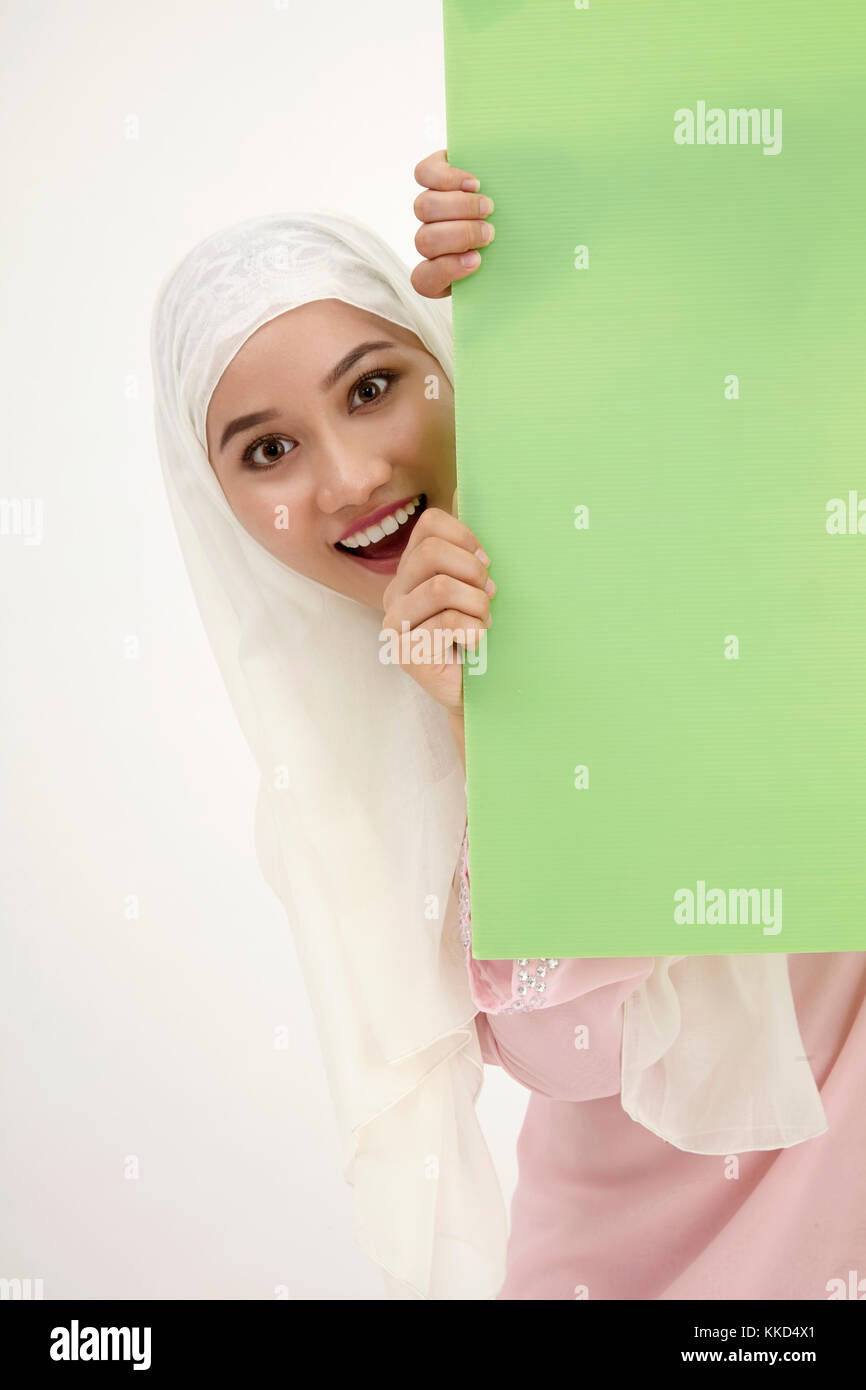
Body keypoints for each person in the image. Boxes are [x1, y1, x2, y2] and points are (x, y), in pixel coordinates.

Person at [149, 177, 838, 1301]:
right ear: (213, 502)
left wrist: (559, 246)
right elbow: (588, 1051)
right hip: (652, 1265)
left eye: (372, 387)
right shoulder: (337, 783)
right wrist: (479, 713)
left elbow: (775, 326)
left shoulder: (644, 503)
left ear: (440, 353)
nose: (353, 477)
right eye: (266, 453)